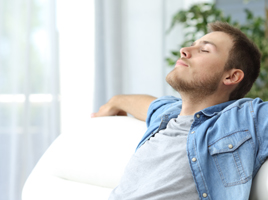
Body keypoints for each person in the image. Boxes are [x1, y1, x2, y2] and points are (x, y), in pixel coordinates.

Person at [91, 21, 268, 200]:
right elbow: (146, 104)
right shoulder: (168, 114)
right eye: (192, 45)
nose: (184, 50)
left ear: (231, 76)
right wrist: (114, 102)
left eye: (204, 50)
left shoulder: (246, 118)